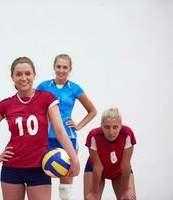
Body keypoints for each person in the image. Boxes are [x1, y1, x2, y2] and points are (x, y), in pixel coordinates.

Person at [0, 56, 80, 200]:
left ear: (34, 75)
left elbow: (60, 131)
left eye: (27, 73)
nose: (23, 78)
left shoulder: (46, 98)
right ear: (12, 77)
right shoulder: (6, 104)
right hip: (12, 168)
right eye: (18, 74)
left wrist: (74, 159)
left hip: (39, 168)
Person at [37, 53, 96, 200]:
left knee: (66, 179)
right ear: (54, 67)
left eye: (65, 67)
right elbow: (33, 105)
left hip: (68, 138)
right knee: (44, 177)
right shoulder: (44, 86)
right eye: (58, 66)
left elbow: (92, 111)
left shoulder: (74, 88)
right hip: (46, 138)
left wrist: (79, 126)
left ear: (70, 69)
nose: (61, 70)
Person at [83, 107, 137, 200]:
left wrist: (125, 191)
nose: (111, 132)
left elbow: (125, 164)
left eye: (115, 127)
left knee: (128, 197)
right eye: (107, 127)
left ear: (120, 125)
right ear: (101, 126)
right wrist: (94, 193)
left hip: (119, 170)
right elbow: (98, 166)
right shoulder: (94, 136)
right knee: (91, 198)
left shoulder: (127, 133)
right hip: (95, 169)